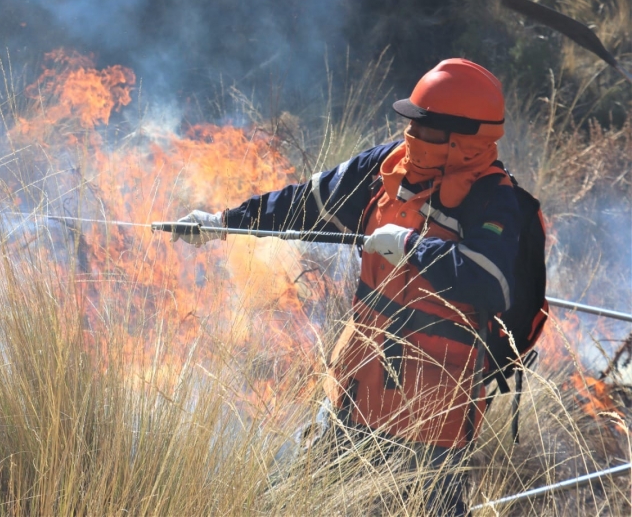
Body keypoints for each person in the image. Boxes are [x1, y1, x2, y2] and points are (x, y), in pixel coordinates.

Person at [173, 59, 520, 515]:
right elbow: (304, 204)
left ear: (465, 139)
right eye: (410, 123)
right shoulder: (385, 165)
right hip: (350, 396)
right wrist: (224, 224)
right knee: (297, 504)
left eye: (425, 127)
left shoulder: (496, 199)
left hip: (430, 424)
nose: (411, 135)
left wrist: (412, 247)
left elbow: (491, 282)